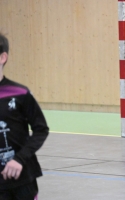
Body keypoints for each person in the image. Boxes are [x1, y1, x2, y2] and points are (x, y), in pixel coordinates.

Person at [0, 32, 49, 199]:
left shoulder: (20, 93)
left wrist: (19, 159)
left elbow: (41, 129)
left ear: (2, 57)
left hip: (22, 178)